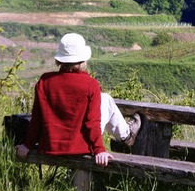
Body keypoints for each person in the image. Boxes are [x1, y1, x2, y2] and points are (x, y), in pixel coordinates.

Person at [15, 33, 140, 167]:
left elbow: (37, 118)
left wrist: (27, 145)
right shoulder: (91, 84)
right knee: (106, 99)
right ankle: (126, 137)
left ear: (60, 60)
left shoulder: (44, 82)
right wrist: (99, 150)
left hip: (49, 147)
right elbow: (92, 122)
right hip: (81, 148)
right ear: (83, 60)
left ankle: (126, 136)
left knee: (105, 99)